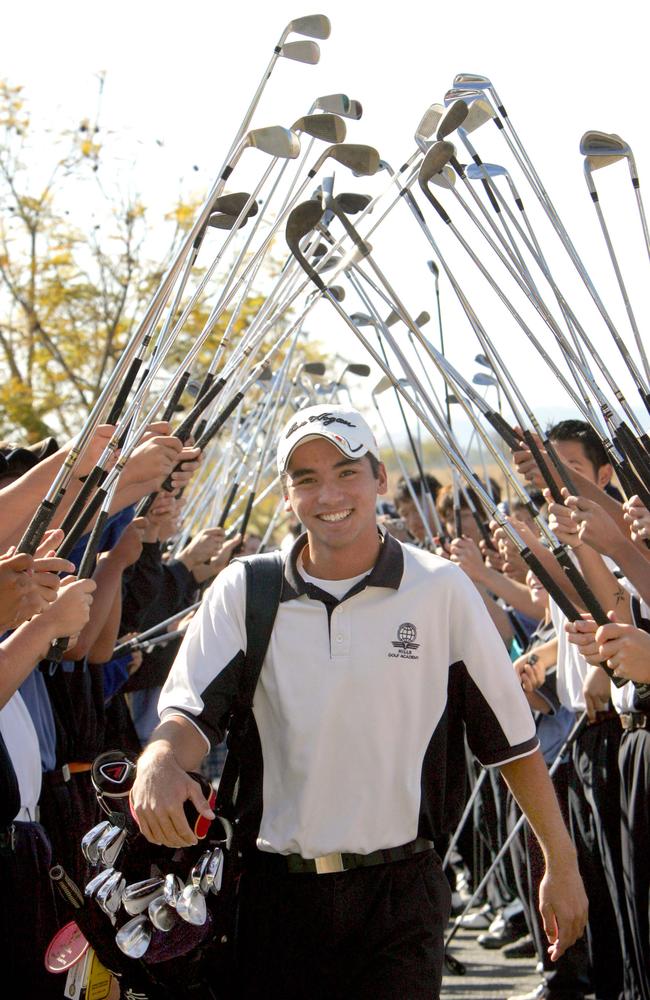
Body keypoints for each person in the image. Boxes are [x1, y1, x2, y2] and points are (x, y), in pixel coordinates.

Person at [131, 403, 588, 1000]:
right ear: (288, 493)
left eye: (347, 471)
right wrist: (160, 760)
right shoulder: (245, 588)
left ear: (381, 480)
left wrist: (561, 861)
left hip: (401, 898)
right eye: (306, 478)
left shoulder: (440, 589)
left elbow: (510, 743)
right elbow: (188, 716)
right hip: (274, 899)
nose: (328, 494)